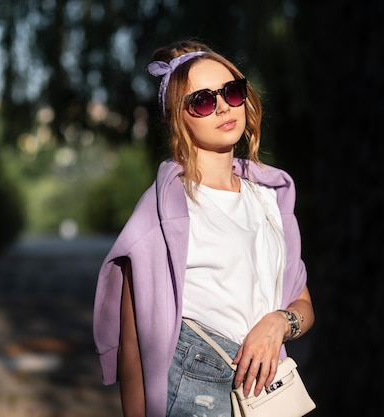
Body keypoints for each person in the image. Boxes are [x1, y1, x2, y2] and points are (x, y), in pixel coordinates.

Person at [93, 40, 314, 417]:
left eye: (232, 92)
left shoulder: (270, 199)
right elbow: (132, 343)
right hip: (197, 389)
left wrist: (280, 322)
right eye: (203, 101)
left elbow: (304, 306)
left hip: (266, 393)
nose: (224, 107)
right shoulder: (165, 209)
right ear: (180, 117)